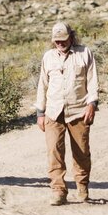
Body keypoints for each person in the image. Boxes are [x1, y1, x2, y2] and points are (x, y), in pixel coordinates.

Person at [35, 22, 99, 205]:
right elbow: (43, 84)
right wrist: (40, 112)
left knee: (81, 151)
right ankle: (58, 190)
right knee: (54, 150)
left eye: (63, 40)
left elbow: (92, 80)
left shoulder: (84, 53)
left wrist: (92, 104)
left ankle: (82, 186)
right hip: (53, 112)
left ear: (71, 37)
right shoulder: (48, 57)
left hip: (79, 110)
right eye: (56, 41)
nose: (60, 44)